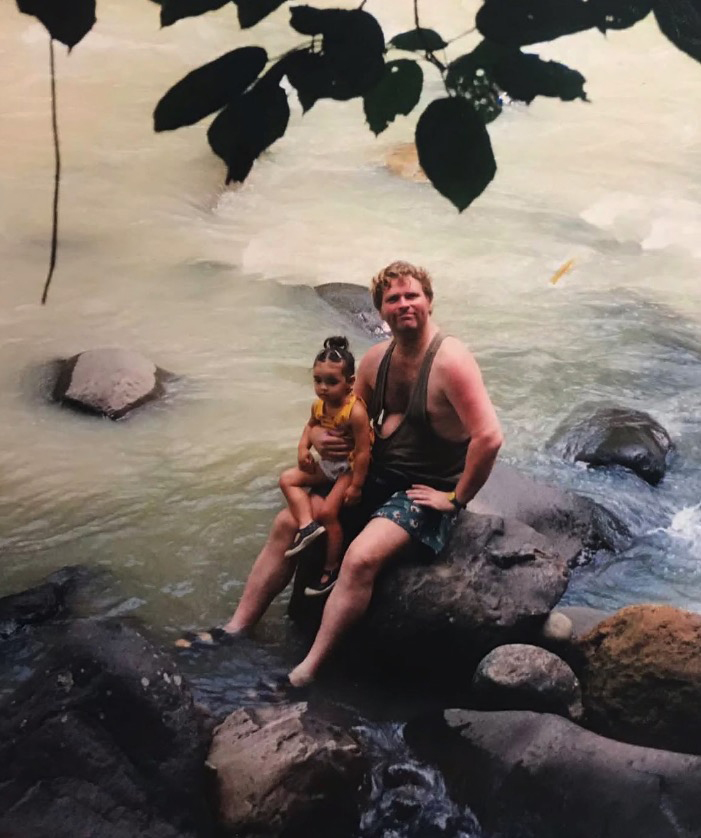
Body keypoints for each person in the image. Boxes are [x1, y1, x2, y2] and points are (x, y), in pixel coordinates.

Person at [185, 261, 503, 687]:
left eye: (412, 295)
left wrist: (455, 500)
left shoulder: (451, 363)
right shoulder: (375, 362)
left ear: (429, 300)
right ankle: (235, 628)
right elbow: (346, 420)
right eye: (393, 299)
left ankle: (305, 672)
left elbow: (489, 438)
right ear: (380, 311)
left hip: (425, 490)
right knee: (288, 523)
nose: (404, 304)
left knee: (360, 558)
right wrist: (317, 440)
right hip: (374, 475)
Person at [278, 335, 372, 596]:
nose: (323, 387)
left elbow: (363, 452)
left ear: (350, 382)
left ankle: (330, 570)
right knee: (287, 479)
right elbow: (310, 427)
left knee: (329, 512)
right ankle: (307, 526)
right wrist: (301, 449)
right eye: (318, 380)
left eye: (332, 381)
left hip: (347, 469)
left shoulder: (355, 412)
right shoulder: (319, 405)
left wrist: (356, 486)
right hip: (327, 465)